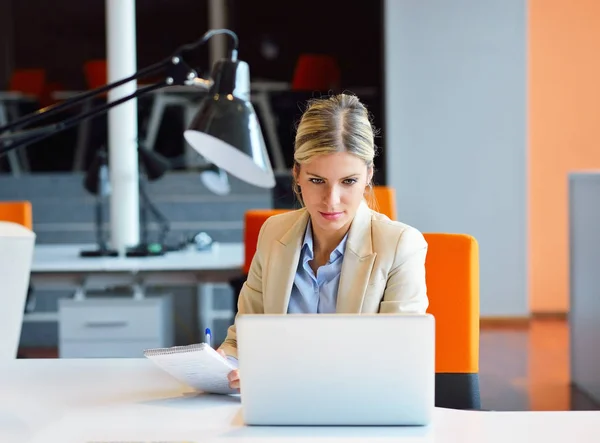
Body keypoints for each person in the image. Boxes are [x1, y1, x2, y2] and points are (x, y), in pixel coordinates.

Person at [217, 93, 429, 390]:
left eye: (348, 181)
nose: (331, 201)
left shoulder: (401, 245)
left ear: (368, 175)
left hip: (359, 407)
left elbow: (399, 358)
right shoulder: (273, 233)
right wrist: (226, 363)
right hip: (275, 403)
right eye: (317, 181)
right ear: (297, 175)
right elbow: (241, 339)